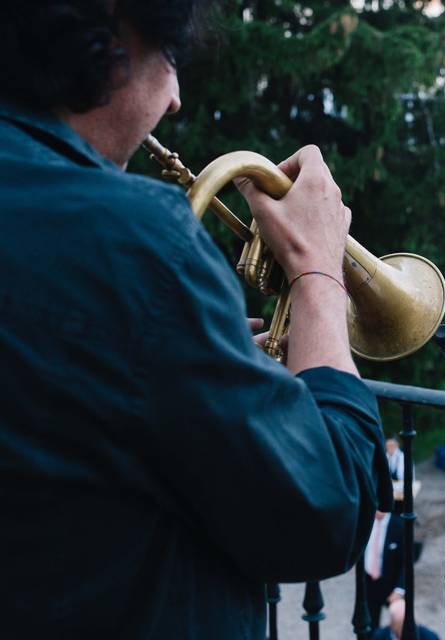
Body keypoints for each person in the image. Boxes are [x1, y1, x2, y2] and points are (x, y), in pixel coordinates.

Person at [0, 4, 391, 637]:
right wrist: (316, 271)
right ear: (109, 37)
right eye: (171, 55)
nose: (177, 98)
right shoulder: (136, 241)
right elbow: (332, 511)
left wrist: (209, 357)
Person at [364, 510, 406, 627]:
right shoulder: (366, 521)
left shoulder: (399, 525)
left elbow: (406, 562)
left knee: (400, 620)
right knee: (369, 625)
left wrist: (399, 589)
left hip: (392, 583)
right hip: (369, 581)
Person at [372, 599, 440, 640]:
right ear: (392, 625)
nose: (404, 629)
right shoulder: (379, 636)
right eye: (400, 625)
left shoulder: (428, 637)